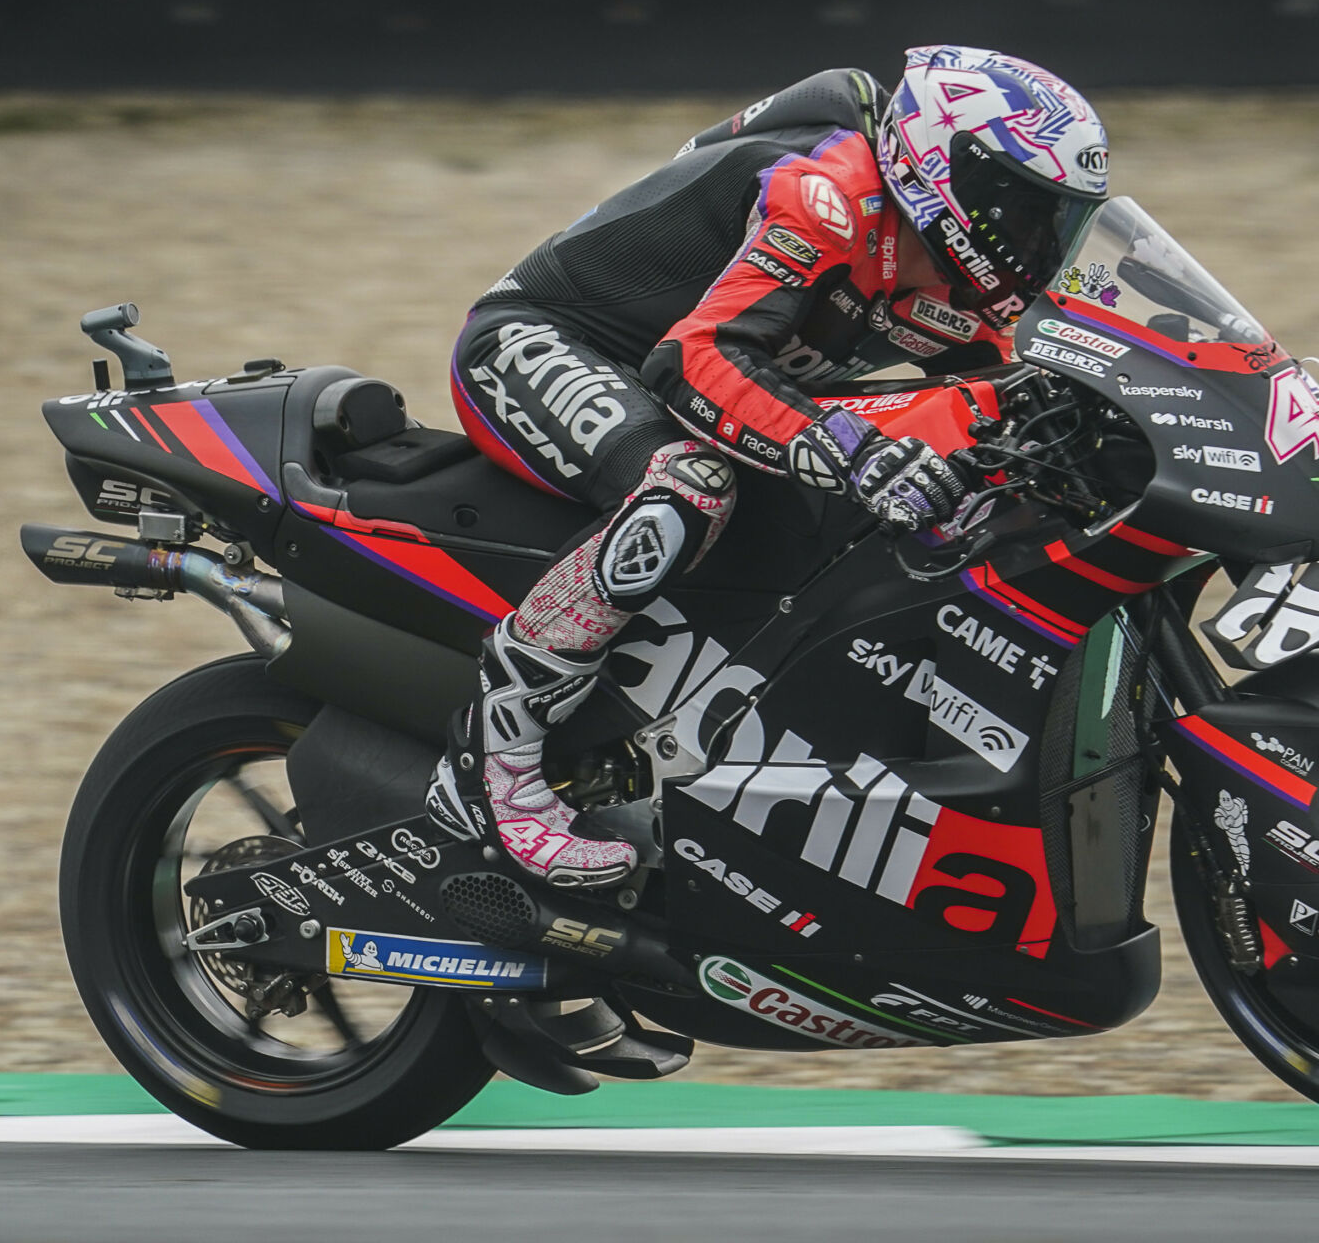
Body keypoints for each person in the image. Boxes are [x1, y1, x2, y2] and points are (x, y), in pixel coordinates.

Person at [424, 45, 1109, 889]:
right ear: (948, 172)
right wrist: (846, 453)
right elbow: (693, 361)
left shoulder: (960, 282)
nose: (1041, 245)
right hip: (539, 343)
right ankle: (491, 761)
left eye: (1061, 222)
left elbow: (1004, 394)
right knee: (689, 488)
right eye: (1025, 213)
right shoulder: (826, 196)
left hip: (682, 375)